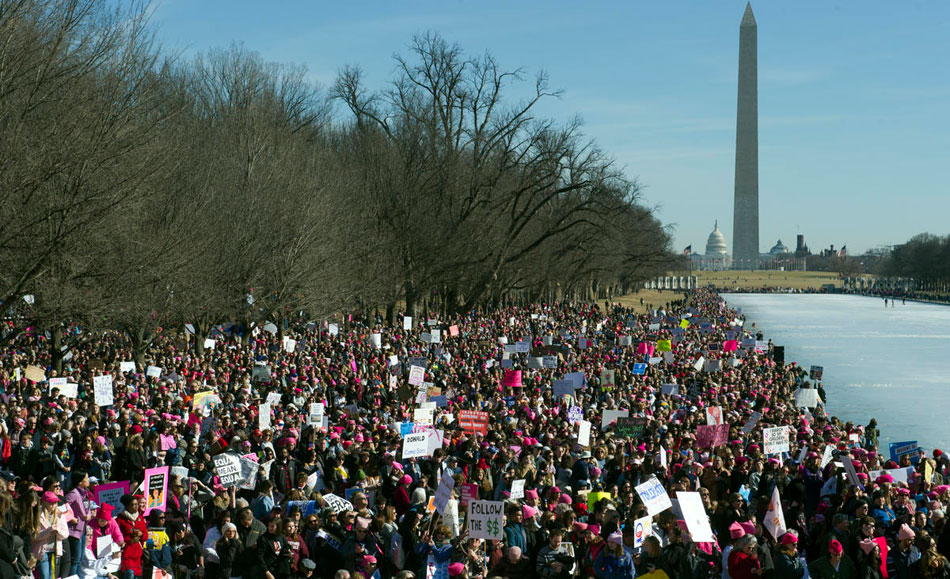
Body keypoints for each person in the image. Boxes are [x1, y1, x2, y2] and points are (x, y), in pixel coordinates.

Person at [32, 491, 68, 579]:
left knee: (52, 576)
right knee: (44, 576)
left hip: (55, 550)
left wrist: (58, 531)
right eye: (51, 502)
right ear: (44, 502)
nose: (53, 505)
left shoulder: (59, 515)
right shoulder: (37, 515)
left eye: (55, 502)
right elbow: (34, 536)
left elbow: (66, 534)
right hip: (42, 551)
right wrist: (49, 530)